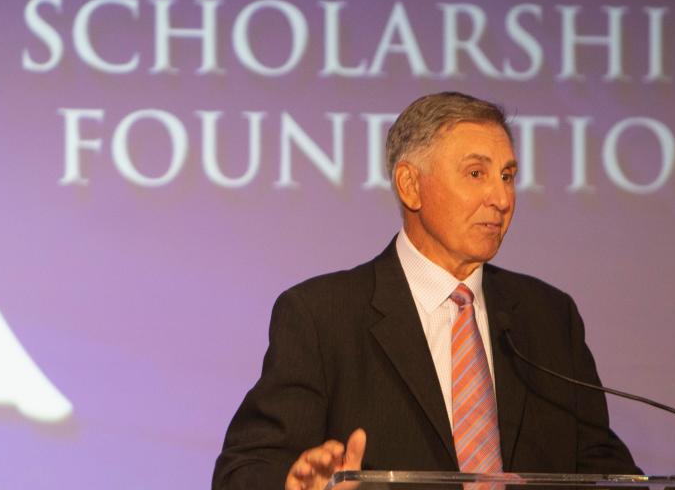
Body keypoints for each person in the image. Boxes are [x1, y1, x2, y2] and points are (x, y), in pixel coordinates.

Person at [213, 92, 640, 490]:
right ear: (410, 185)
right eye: (477, 173)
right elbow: (246, 468)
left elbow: (602, 465)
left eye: (507, 175)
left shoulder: (548, 316)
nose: (501, 197)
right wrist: (293, 486)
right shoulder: (323, 316)